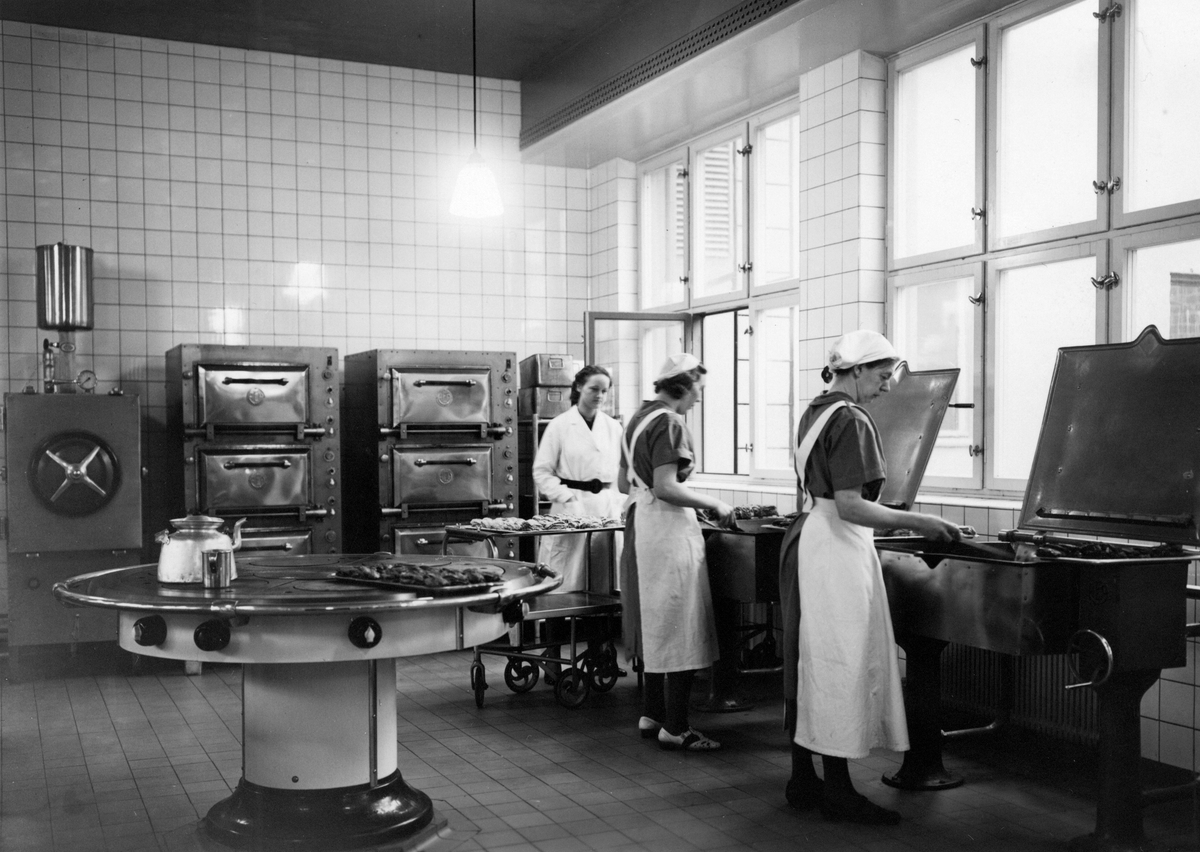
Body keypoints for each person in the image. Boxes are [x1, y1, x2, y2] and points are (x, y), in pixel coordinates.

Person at [779, 330, 961, 824]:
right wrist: (923, 522)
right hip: (837, 547)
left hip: (811, 538)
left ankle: (803, 778)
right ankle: (839, 792)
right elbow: (852, 505)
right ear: (856, 370)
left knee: (811, 658)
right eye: (882, 375)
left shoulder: (815, 410)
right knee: (842, 662)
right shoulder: (852, 419)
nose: (887, 385)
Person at [618, 353, 736, 752]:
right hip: (667, 528)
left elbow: (624, 483)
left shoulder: (638, 419)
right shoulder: (670, 422)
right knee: (680, 623)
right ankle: (677, 726)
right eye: (698, 390)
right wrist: (714, 503)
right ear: (683, 387)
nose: (699, 398)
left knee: (657, 620)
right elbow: (666, 486)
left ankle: (652, 713)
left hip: (643, 525)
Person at [531, 364, 625, 678]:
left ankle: (600, 652)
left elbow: (621, 473)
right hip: (569, 508)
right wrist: (566, 497)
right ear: (578, 389)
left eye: (604, 390)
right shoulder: (560, 425)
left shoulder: (613, 427)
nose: (599, 395)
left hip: (605, 510)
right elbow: (541, 471)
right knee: (561, 585)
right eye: (593, 389)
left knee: (601, 586)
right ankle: (552, 655)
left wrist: (620, 503)